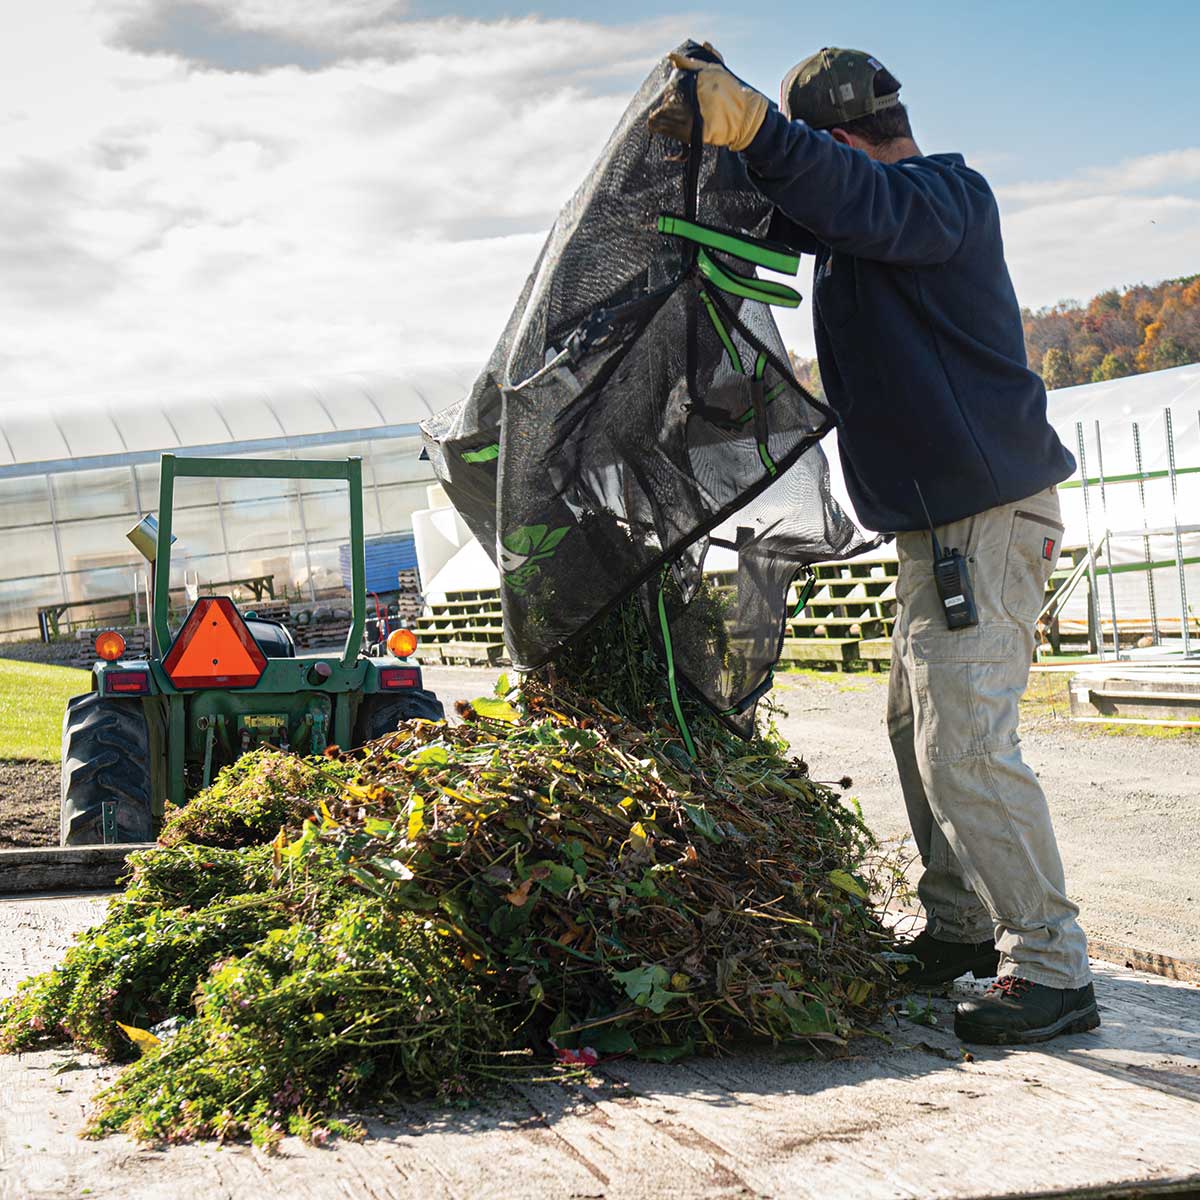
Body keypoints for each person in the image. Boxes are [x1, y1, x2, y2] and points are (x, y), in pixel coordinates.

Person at [650, 45, 1099, 1046]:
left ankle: (1057, 973)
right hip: (934, 530)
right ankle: (957, 932)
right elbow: (804, 206)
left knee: (964, 746)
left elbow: (850, 195)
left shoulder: (944, 199)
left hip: (985, 523)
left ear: (845, 139)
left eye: (822, 151)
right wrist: (727, 151)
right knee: (916, 731)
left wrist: (763, 129)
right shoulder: (861, 226)